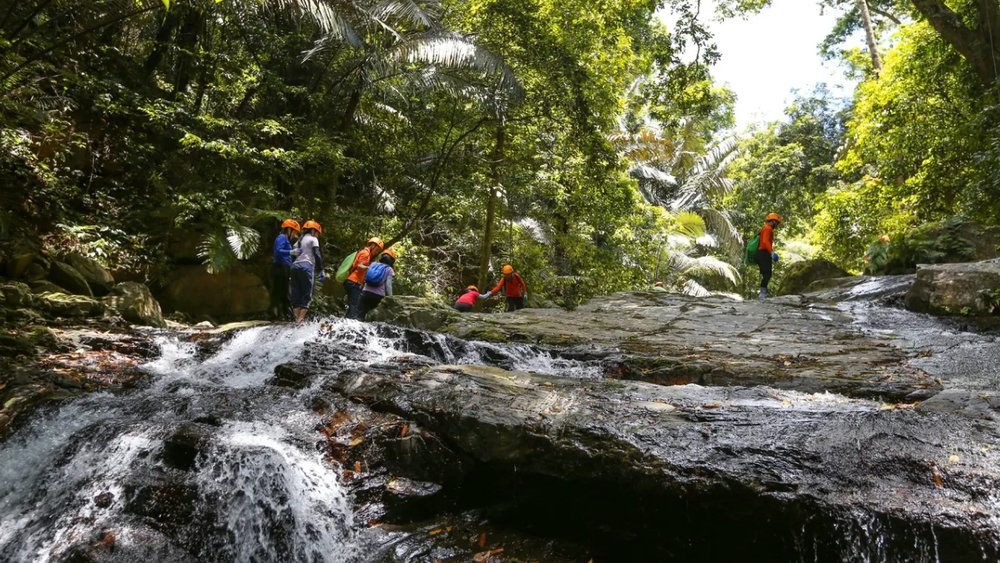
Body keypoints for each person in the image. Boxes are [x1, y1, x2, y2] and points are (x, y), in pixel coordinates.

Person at [290, 220, 325, 323]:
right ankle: (300, 320)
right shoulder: (313, 239)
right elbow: (317, 254)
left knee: (296, 293)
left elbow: (293, 255)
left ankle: (296, 319)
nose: (318, 235)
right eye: (318, 233)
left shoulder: (298, 241)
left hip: (294, 267)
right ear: (314, 231)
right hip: (306, 266)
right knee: (307, 293)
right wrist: (321, 269)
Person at [344, 236, 384, 320]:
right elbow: (359, 266)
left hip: (352, 282)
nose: (377, 252)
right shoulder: (366, 253)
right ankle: (349, 326)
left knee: (352, 306)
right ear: (373, 245)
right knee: (354, 307)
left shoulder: (366, 253)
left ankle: (344, 323)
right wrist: (370, 268)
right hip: (354, 282)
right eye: (377, 249)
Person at [270, 219, 300, 321]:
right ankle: (275, 314)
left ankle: (284, 315)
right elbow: (278, 251)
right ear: (288, 229)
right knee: (279, 291)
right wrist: (291, 252)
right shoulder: (281, 237)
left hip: (285, 268)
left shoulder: (286, 239)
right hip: (280, 267)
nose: (295, 234)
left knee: (284, 291)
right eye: (295, 231)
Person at [358, 248, 396, 320]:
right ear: (392, 260)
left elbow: (365, 277)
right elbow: (388, 286)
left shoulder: (373, 264)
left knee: (359, 316)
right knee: (373, 319)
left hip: (365, 293)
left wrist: (361, 287)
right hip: (378, 296)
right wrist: (391, 298)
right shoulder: (389, 269)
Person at [756, 213, 782, 301]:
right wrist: (771, 253)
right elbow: (765, 241)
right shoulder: (768, 228)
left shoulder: (765, 228)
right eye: (777, 223)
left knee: (766, 274)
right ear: (773, 221)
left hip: (762, 253)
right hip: (763, 253)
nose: (777, 225)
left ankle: (762, 293)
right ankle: (762, 295)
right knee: (767, 274)